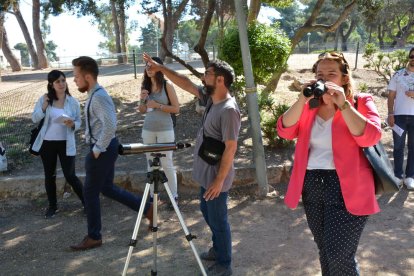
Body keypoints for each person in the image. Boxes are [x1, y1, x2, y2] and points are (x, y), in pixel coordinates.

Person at [277, 52, 382, 275]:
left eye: (331, 74)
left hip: (348, 187)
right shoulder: (309, 107)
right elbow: (284, 130)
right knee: (324, 250)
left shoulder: (360, 101)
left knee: (339, 255)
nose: (324, 79)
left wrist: (344, 105)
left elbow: (371, 136)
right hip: (312, 184)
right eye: (319, 74)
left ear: (344, 78)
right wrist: (301, 99)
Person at [143, 53, 240, 276]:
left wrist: (219, 180)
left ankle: (224, 263)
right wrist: (161, 68)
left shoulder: (228, 110)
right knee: (208, 213)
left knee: (218, 219)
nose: (203, 77)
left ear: (220, 80)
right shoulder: (211, 99)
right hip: (207, 174)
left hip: (216, 177)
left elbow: (231, 148)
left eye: (208, 74)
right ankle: (217, 249)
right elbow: (185, 83)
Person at [70, 56, 153, 251]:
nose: (74, 80)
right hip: (104, 148)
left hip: (103, 149)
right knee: (106, 188)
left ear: (88, 77)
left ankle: (94, 236)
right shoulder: (93, 94)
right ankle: (147, 208)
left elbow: (110, 125)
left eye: (76, 76)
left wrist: (97, 150)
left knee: (89, 193)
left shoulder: (99, 96)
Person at [31, 70, 84, 219]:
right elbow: (34, 118)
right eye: (57, 82)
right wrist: (43, 108)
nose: (61, 84)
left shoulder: (73, 102)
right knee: (50, 175)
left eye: (63, 80)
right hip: (47, 144)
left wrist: (73, 124)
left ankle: (87, 203)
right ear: (51, 84)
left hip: (66, 143)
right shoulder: (45, 99)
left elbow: (79, 121)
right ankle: (52, 206)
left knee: (70, 175)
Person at [138, 56, 180, 206]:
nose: (148, 69)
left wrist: (158, 105)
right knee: (150, 164)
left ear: (159, 68)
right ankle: (152, 198)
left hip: (165, 129)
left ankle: (174, 196)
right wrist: (142, 100)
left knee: (166, 163)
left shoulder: (167, 85)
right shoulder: (145, 86)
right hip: (148, 130)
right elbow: (142, 111)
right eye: (146, 66)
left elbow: (176, 108)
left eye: (152, 66)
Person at [387, 47, 414, 190]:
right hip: (399, 117)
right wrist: (390, 114)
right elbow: (391, 96)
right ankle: (398, 176)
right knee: (398, 147)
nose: (413, 58)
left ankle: (410, 177)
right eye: (412, 56)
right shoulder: (398, 75)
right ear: (409, 57)